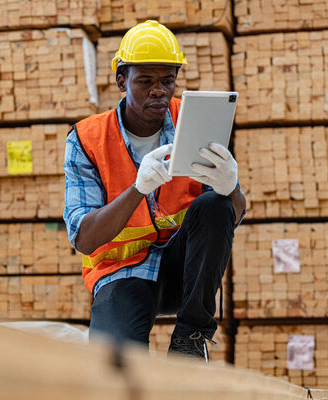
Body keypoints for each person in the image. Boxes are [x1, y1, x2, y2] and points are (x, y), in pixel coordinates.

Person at [63, 20, 245, 362]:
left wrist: (231, 187)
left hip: (181, 272)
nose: (158, 91)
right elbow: (84, 239)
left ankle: (191, 338)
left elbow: (228, 218)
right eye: (145, 81)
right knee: (114, 369)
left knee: (215, 204)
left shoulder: (193, 122)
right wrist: (138, 188)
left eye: (167, 81)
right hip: (121, 274)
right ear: (122, 81)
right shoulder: (87, 140)